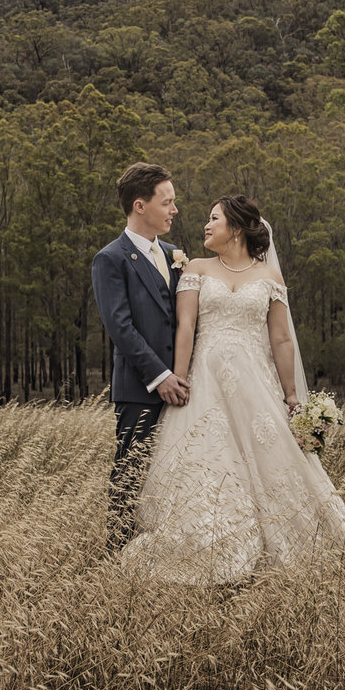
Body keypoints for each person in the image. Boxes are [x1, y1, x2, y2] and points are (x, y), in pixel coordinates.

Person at [120, 194, 345, 584]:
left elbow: (282, 341)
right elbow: (185, 328)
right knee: (208, 462)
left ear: (236, 227)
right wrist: (179, 378)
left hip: (255, 385)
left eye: (214, 219)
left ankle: (290, 540)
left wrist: (292, 396)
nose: (206, 225)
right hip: (206, 382)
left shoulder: (270, 277)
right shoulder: (195, 268)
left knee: (274, 465)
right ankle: (213, 541)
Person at [89, 162, 190, 553]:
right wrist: (160, 375)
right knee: (131, 470)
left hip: (182, 385)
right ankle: (117, 550)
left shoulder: (175, 254)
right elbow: (120, 328)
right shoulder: (110, 259)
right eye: (167, 202)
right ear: (140, 205)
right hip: (140, 388)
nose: (174, 210)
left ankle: (166, 546)